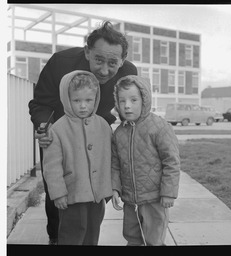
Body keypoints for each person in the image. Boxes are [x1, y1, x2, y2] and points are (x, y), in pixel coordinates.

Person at [28, 21, 137, 245]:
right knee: (57, 189)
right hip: (60, 132)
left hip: (98, 131)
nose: (104, 70)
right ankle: (56, 237)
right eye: (98, 59)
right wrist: (43, 126)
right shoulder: (60, 63)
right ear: (87, 51)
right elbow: (41, 103)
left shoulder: (128, 73)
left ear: (122, 61)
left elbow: (131, 108)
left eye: (112, 63)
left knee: (93, 194)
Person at [43, 70, 113, 245]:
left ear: (96, 99)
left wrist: (109, 187)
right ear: (67, 99)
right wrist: (58, 193)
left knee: (92, 234)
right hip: (71, 196)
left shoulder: (103, 126)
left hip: (97, 196)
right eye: (77, 101)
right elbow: (52, 166)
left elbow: (110, 157)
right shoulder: (58, 130)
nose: (83, 106)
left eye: (88, 100)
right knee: (71, 235)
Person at [111, 75, 181, 246]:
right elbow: (115, 165)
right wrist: (115, 189)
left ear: (145, 99)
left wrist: (168, 192)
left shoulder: (160, 127)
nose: (127, 105)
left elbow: (171, 162)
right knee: (132, 237)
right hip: (130, 200)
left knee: (153, 239)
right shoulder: (119, 133)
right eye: (122, 101)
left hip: (155, 199)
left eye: (133, 100)